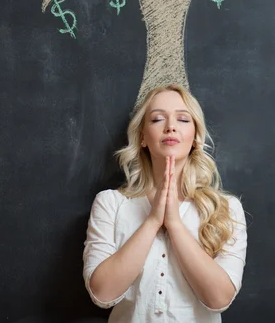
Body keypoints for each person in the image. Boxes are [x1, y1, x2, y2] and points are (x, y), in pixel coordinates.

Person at [83, 84, 248, 322]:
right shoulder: (110, 203)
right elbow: (102, 294)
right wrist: (152, 221)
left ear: (195, 138)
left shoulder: (226, 208)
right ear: (142, 137)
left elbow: (220, 299)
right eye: (158, 119)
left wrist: (174, 224)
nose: (170, 126)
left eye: (183, 119)